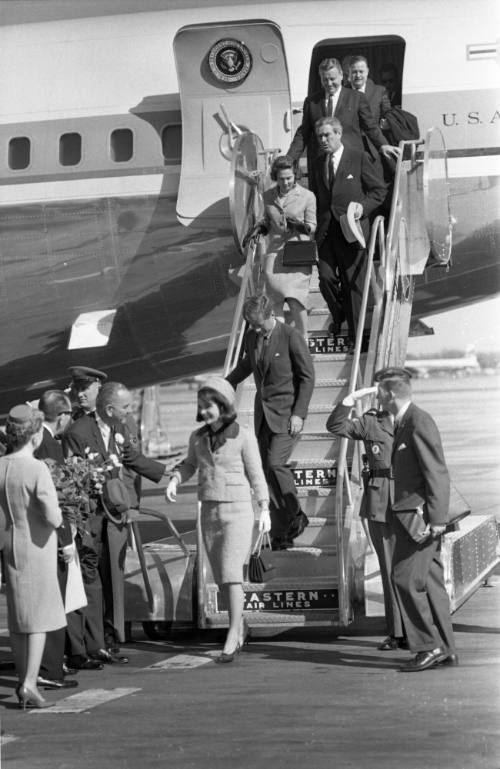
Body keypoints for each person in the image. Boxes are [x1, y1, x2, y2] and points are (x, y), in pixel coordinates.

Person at [166, 377, 270, 663]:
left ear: (223, 406)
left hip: (237, 510)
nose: (205, 411)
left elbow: (256, 474)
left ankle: (233, 633)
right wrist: (176, 477)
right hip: (210, 510)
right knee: (223, 577)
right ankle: (241, 625)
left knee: (231, 574)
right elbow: (189, 464)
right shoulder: (197, 438)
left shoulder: (244, 436)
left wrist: (264, 507)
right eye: (202, 406)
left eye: (209, 405)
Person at [63, 381, 167, 663]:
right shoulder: (78, 432)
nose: (129, 411)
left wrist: (167, 472)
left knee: (113, 579)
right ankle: (92, 643)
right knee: (91, 580)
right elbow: (73, 480)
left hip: (114, 517)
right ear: (109, 409)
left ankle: (108, 639)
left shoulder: (118, 428)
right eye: (126, 407)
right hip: (92, 519)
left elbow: (132, 457)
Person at [374, 367, 458, 671]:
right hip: (412, 516)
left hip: (421, 520)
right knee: (431, 582)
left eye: (380, 392)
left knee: (404, 578)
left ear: (391, 394)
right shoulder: (402, 422)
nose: (377, 397)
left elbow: (436, 472)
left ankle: (428, 646)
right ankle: (446, 648)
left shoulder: (418, 422)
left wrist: (437, 519)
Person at [226, 294, 315, 550]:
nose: (253, 329)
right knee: (265, 474)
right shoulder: (253, 336)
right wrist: (227, 382)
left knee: (276, 464)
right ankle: (281, 534)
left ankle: (297, 515)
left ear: (269, 315)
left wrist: (300, 413)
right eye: (250, 325)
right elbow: (247, 365)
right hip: (264, 416)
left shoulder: (289, 336)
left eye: (256, 323)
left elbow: (307, 377)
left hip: (288, 415)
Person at [326, 386, 405, 650]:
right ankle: (397, 632)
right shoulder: (370, 422)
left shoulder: (414, 421)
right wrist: (350, 400)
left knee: (414, 570)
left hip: (410, 502)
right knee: (390, 570)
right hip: (381, 503)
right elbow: (335, 426)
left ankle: (419, 629)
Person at [0, 405, 67, 709]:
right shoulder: (37, 468)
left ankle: (21, 679)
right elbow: (52, 514)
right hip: (37, 547)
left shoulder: (1, 465)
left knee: (17, 618)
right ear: (36, 435)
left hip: (10, 545)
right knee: (38, 618)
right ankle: (29, 682)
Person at [312, 116, 386, 342]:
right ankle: (339, 312)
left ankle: (358, 338)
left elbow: (378, 191)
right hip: (326, 232)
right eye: (320, 136)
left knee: (354, 284)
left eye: (327, 135)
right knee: (325, 278)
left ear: (338, 134)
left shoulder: (358, 158)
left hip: (352, 231)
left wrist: (361, 209)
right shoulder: (317, 163)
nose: (323, 140)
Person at [287, 57, 399, 193]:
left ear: (341, 76)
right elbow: (303, 133)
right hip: (322, 166)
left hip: (350, 162)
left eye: (332, 79)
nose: (329, 83)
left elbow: (371, 127)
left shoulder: (357, 97)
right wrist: (289, 159)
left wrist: (383, 145)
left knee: (352, 207)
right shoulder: (312, 102)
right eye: (324, 79)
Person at [35, 390, 80, 690]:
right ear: (62, 416)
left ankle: (48, 664)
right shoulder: (51, 446)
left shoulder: (35, 442)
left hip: (34, 538)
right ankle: (51, 668)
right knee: (54, 602)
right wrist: (67, 540)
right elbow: (57, 500)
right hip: (52, 538)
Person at [248, 155, 317, 340]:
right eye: (281, 179)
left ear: (295, 175)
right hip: (275, 253)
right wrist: (259, 228)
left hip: (297, 253)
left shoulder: (307, 196)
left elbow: (313, 225)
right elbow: (266, 220)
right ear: (275, 177)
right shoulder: (268, 196)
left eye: (289, 178)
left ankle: (303, 340)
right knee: (275, 300)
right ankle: (278, 342)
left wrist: (301, 226)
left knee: (296, 301)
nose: (285, 182)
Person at [348, 55, 391, 124]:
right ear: (349, 72)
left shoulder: (379, 91)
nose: (358, 75)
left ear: (367, 71)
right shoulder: (342, 92)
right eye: (354, 72)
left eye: (361, 71)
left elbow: (388, 115)